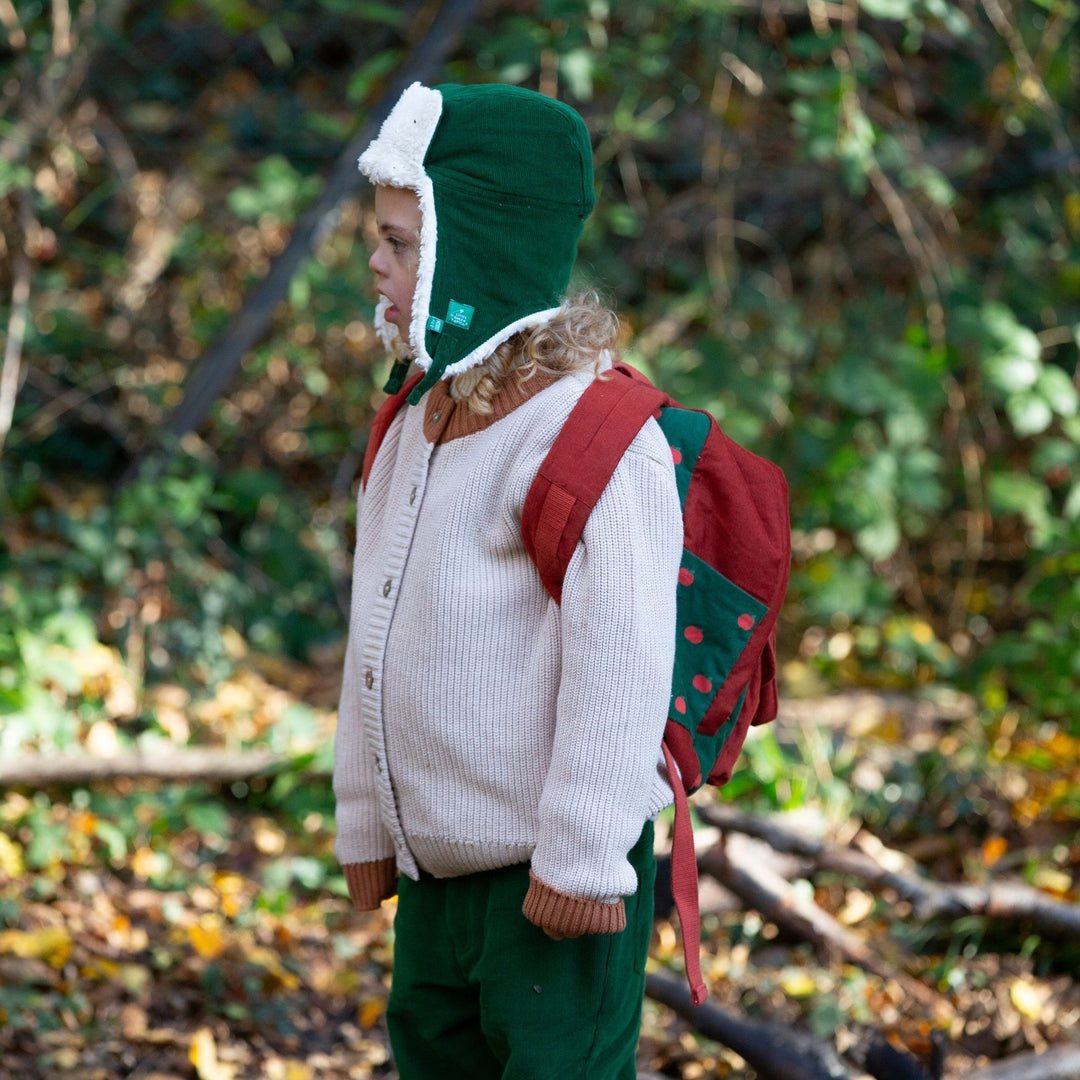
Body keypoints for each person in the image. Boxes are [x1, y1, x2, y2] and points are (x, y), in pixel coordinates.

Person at [333, 81, 682, 1080]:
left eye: (402, 243)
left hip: (551, 885)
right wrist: (366, 821)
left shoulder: (598, 440)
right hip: (436, 874)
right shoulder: (416, 422)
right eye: (380, 237)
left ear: (474, 252)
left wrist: (581, 861)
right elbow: (378, 631)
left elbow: (621, 667)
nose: (376, 261)